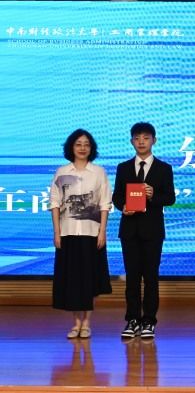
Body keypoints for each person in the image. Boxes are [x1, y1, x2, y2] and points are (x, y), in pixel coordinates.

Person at [113, 122, 176, 339]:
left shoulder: (164, 168)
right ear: (131, 141)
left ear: (154, 141)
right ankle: (132, 319)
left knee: (150, 277)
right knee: (131, 278)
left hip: (153, 231)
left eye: (146, 138)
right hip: (129, 230)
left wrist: (152, 195)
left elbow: (170, 198)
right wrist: (123, 206)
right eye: (137, 138)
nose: (141, 142)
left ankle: (149, 320)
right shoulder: (123, 167)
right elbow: (117, 196)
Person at [50, 129, 112, 339]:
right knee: (73, 280)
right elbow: (55, 203)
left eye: (86, 144)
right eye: (78, 144)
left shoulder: (98, 172)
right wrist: (57, 232)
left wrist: (102, 232)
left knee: (89, 280)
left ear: (91, 148)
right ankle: (76, 323)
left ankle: (86, 323)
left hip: (91, 233)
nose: (82, 148)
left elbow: (105, 204)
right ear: (71, 147)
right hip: (67, 233)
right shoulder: (61, 172)